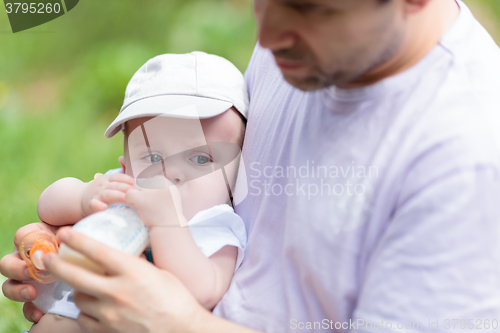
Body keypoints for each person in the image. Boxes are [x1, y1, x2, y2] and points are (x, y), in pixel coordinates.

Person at [3, 0, 500, 332]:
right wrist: (81, 238)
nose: (267, 34)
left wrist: (176, 323)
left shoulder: (467, 160)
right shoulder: (302, 50)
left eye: (309, 7)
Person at [12, 51, 249, 333]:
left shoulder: (215, 225)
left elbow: (203, 291)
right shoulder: (122, 188)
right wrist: (84, 197)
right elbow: (47, 206)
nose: (170, 173)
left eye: (200, 159)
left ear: (235, 178)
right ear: (125, 166)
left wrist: (165, 222)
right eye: (152, 157)